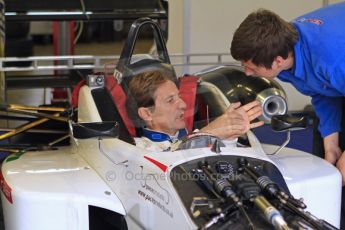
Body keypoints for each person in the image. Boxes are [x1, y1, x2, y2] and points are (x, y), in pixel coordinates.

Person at [230, 3, 345, 185]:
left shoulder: (331, 60)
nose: (247, 73)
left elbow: (327, 72)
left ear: (278, 61)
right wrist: (331, 143)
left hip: (338, 59)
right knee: (329, 161)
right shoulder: (280, 47)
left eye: (251, 67)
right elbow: (322, 89)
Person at [125, 70, 264, 151]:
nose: (184, 105)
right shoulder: (137, 147)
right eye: (170, 100)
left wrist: (230, 135)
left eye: (179, 96)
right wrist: (209, 132)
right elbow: (168, 161)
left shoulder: (194, 139)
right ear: (147, 114)